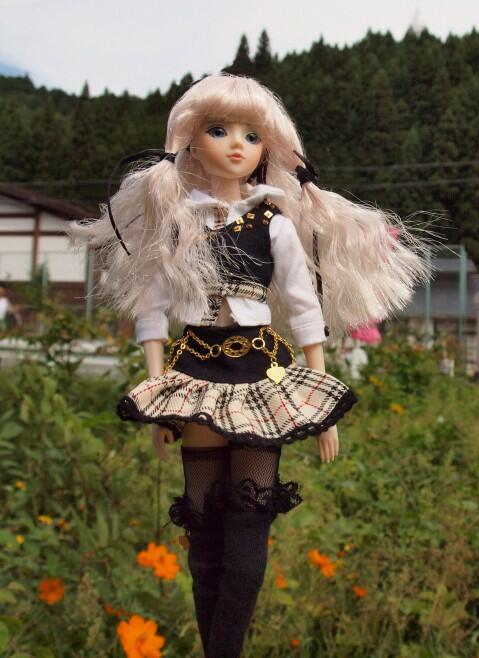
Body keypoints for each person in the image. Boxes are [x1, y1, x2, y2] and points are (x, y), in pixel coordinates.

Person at [67, 73, 437, 658]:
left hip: (259, 376)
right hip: (193, 377)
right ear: (191, 142)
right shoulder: (179, 223)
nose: (237, 145)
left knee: (246, 545)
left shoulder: (275, 223)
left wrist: (321, 403)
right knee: (203, 539)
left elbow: (304, 307)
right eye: (219, 130)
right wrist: (158, 388)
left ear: (267, 149)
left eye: (251, 135)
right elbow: (151, 308)